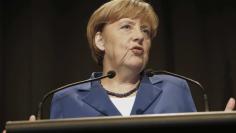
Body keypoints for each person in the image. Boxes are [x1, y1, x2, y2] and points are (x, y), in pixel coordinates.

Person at [49, 0, 235, 119]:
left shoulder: (175, 90)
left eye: (145, 30)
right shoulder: (67, 99)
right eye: (126, 27)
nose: (139, 36)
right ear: (100, 40)